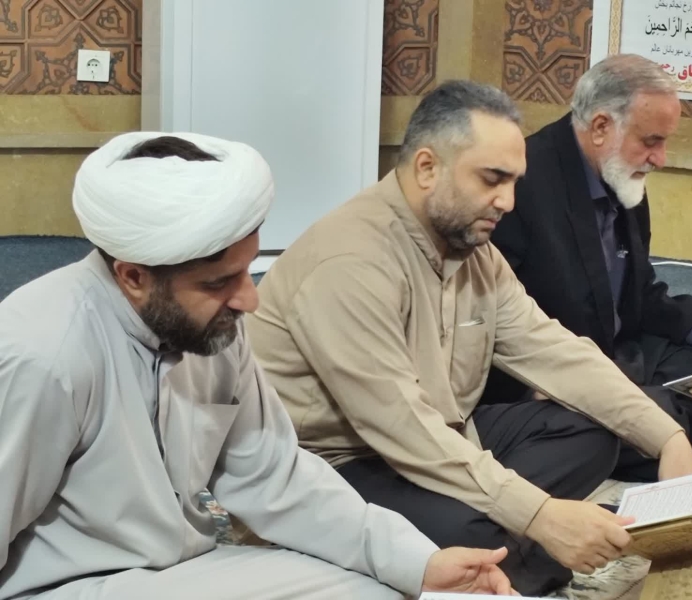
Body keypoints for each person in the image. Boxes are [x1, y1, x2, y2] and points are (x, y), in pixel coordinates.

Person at [0, 132, 517, 600]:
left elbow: (274, 474)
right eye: (219, 282)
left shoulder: (212, 328)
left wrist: (418, 563)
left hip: (186, 568)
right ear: (134, 277)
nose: (250, 299)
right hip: (69, 586)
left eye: (248, 271)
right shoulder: (44, 355)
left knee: (385, 589)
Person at [245, 80, 692, 596]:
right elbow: (403, 429)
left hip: (445, 435)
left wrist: (666, 436)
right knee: (475, 530)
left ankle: (496, 557)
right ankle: (504, 560)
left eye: (514, 182)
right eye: (492, 179)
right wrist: (540, 514)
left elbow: (553, 350)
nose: (508, 201)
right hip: (336, 464)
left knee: (595, 432)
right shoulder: (350, 262)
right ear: (426, 168)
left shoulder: (472, 248)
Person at [482, 54, 692, 482]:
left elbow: (639, 293)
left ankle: (671, 411)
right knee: (666, 419)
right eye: (652, 141)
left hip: (622, 353)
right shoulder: (522, 186)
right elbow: (488, 322)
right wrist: (547, 385)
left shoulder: (622, 172)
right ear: (601, 126)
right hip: (557, 378)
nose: (661, 159)